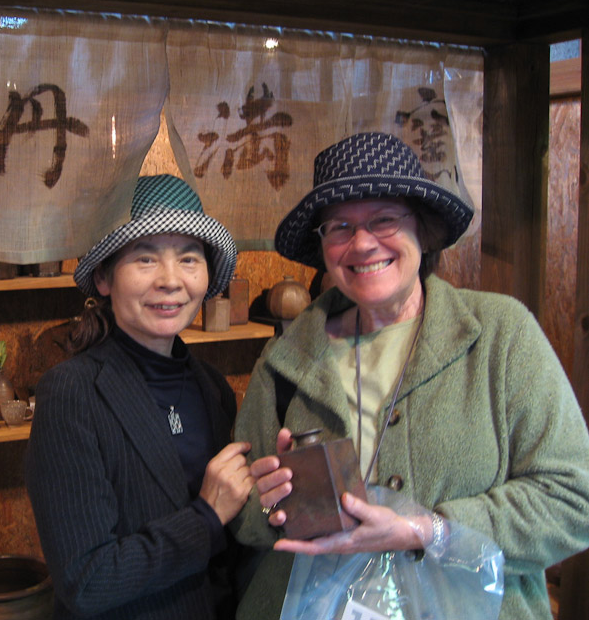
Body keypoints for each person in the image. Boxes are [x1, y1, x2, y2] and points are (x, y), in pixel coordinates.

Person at [231, 132, 589, 620]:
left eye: (384, 219)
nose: (361, 243)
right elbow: (247, 513)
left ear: (422, 229)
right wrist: (276, 507)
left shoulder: (499, 336)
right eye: (339, 227)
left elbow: (574, 497)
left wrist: (429, 528)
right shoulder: (286, 358)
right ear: (323, 247)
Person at [25, 174, 255, 620]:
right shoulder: (72, 393)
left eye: (189, 259)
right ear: (105, 278)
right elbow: (86, 580)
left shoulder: (212, 388)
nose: (171, 281)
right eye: (145, 259)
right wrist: (207, 516)